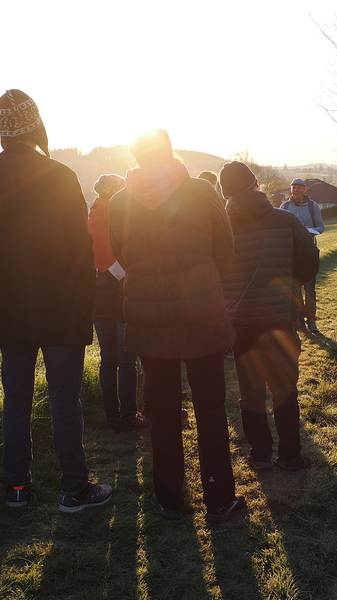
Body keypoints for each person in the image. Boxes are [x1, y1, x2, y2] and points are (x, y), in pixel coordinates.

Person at [0, 89, 112, 512]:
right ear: (36, 125)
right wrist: (85, 296)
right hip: (61, 306)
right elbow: (81, 249)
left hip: (9, 311)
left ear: (1, 132)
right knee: (64, 397)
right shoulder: (60, 176)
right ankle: (74, 490)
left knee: (16, 397)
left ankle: (17, 489)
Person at [109, 129, 244, 523]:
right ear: (170, 153)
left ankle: (169, 500)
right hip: (200, 314)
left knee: (164, 412)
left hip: (150, 321)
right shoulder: (202, 192)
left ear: (136, 159)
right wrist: (203, 280)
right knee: (211, 408)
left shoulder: (120, 202)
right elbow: (226, 249)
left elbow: (122, 253)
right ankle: (219, 499)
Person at [219, 162, 319, 471]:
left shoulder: (221, 227)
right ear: (255, 185)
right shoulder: (286, 219)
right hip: (279, 318)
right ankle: (289, 455)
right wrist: (291, 284)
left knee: (250, 393)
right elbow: (310, 261)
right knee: (285, 390)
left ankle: (260, 453)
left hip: (241, 322)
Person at [88, 174, 150, 433]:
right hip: (123, 293)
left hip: (98, 295)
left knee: (107, 361)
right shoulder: (121, 216)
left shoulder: (89, 217)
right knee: (126, 361)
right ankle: (128, 417)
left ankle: (112, 417)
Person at [280, 178, 323, 332]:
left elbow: (321, 227)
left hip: (309, 254)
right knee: (295, 290)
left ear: (305, 190)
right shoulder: (284, 206)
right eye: (293, 188)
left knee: (310, 290)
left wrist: (310, 230)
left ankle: (311, 320)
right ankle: (299, 321)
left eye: (299, 188)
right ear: (291, 190)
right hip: (291, 256)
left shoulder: (313, 206)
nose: (296, 190)